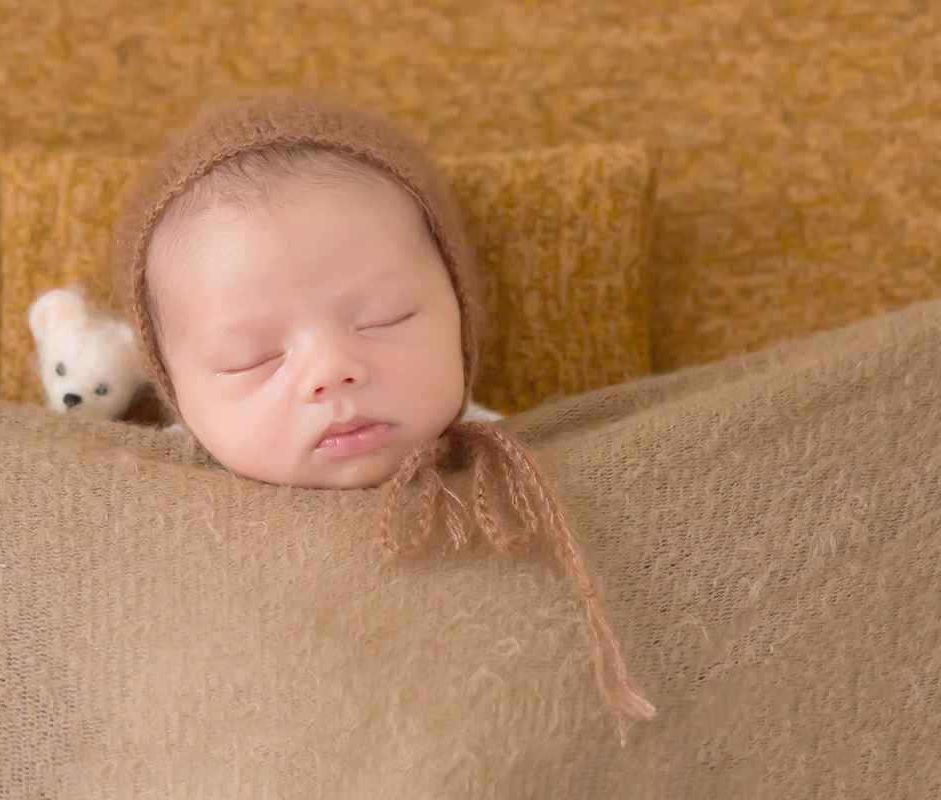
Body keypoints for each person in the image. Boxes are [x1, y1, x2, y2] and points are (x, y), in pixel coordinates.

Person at [113, 92, 655, 744]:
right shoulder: (143, 511)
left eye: (385, 317)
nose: (330, 371)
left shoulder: (522, 481)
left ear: (459, 311)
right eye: (250, 358)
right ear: (176, 392)